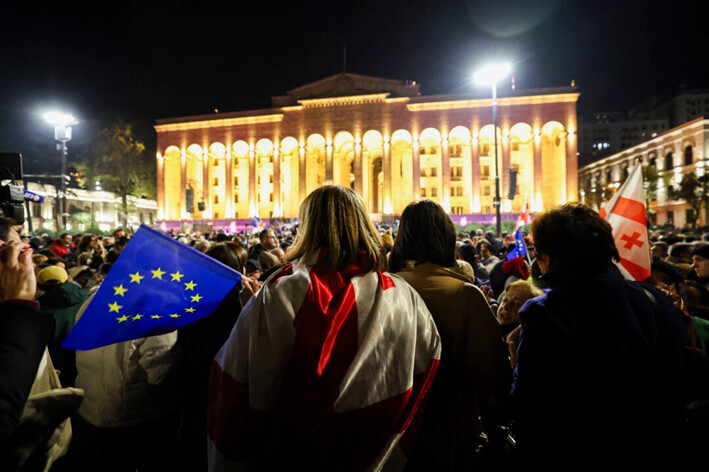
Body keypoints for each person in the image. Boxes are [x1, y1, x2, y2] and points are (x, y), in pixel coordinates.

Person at [208, 186, 441, 472]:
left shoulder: (277, 294)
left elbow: (234, 383)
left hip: (290, 457)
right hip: (375, 456)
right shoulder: (403, 296)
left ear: (307, 229)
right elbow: (428, 371)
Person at [510, 202, 688, 466]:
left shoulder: (545, 314)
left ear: (552, 257)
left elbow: (530, 401)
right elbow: (675, 376)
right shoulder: (653, 299)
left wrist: (515, 364)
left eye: (539, 252)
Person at [388, 200, 511, 471]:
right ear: (446, 238)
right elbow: (492, 376)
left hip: (390, 433)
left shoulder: (381, 289)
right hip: (449, 432)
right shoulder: (465, 294)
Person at [176, 241, 247, 469]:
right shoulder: (243, 304)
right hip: (228, 385)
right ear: (238, 269)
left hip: (194, 383)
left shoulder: (190, 298)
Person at [36, 265, 88, 387]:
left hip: (59, 373)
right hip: (87, 367)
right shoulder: (87, 300)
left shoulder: (39, 314)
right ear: (67, 281)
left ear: (39, 286)